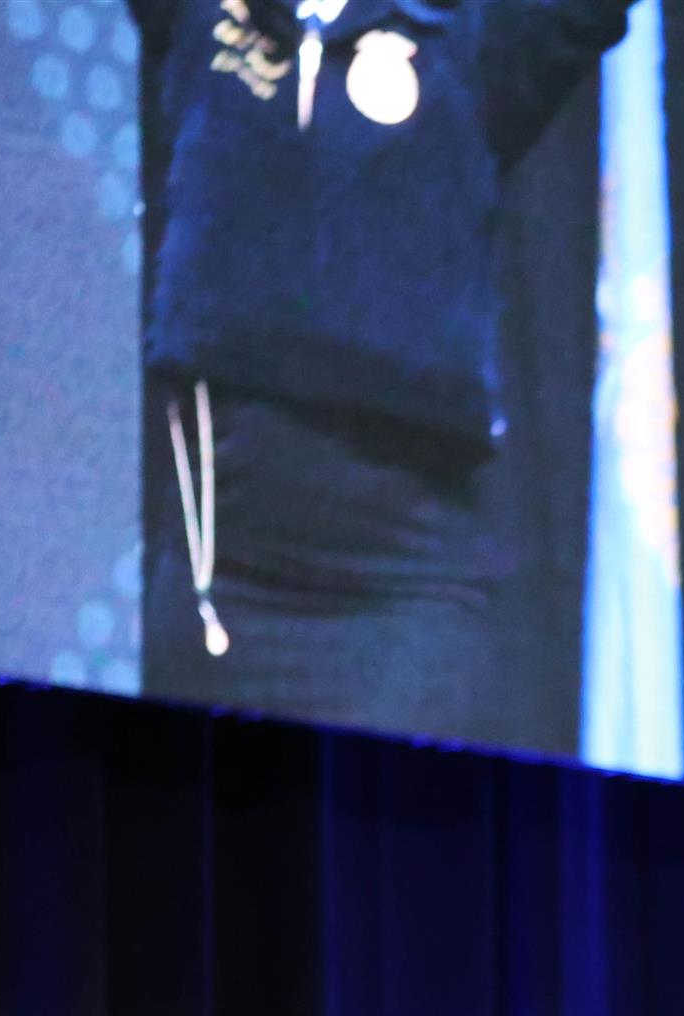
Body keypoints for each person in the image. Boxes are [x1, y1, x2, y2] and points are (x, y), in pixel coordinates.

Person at [127, 0, 634, 737]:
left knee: (383, 814)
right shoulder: (211, 14)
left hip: (400, 594)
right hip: (218, 584)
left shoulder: (466, 37)